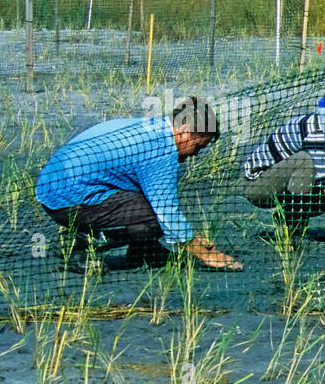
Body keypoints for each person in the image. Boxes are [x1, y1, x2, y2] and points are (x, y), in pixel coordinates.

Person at [35, 96, 242, 271]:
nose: (195, 154)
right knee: (156, 213)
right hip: (68, 201)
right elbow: (166, 211)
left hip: (56, 188)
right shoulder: (160, 150)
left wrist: (191, 235)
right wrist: (202, 253)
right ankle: (82, 242)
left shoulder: (152, 126)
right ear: (185, 131)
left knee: (151, 206)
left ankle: (143, 251)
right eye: (198, 146)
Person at [240, 86, 325, 246]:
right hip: (258, 185)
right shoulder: (319, 131)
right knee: (305, 161)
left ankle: (287, 218)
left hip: (285, 181)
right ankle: (292, 228)